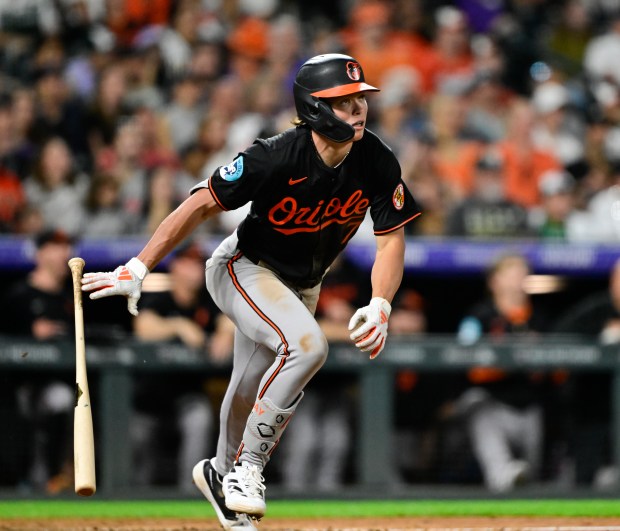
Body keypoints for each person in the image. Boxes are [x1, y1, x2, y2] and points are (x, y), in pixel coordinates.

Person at [81, 53, 420, 529]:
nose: (359, 107)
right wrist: (138, 266)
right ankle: (249, 469)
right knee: (308, 347)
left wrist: (381, 302)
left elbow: (391, 240)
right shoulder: (277, 153)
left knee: (248, 387)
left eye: (360, 97)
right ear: (316, 106)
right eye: (345, 100)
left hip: (303, 284)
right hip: (245, 268)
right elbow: (201, 203)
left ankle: (220, 474)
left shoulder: (377, 159)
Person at [453, 253, 552, 493]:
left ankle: (532, 481)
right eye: (511, 274)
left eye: (522, 274)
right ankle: (501, 475)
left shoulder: (539, 319)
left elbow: (552, 372)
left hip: (530, 406)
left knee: (533, 473)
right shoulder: (478, 317)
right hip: (493, 404)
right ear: (494, 282)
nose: (518, 280)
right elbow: (467, 362)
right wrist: (507, 360)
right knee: (477, 406)